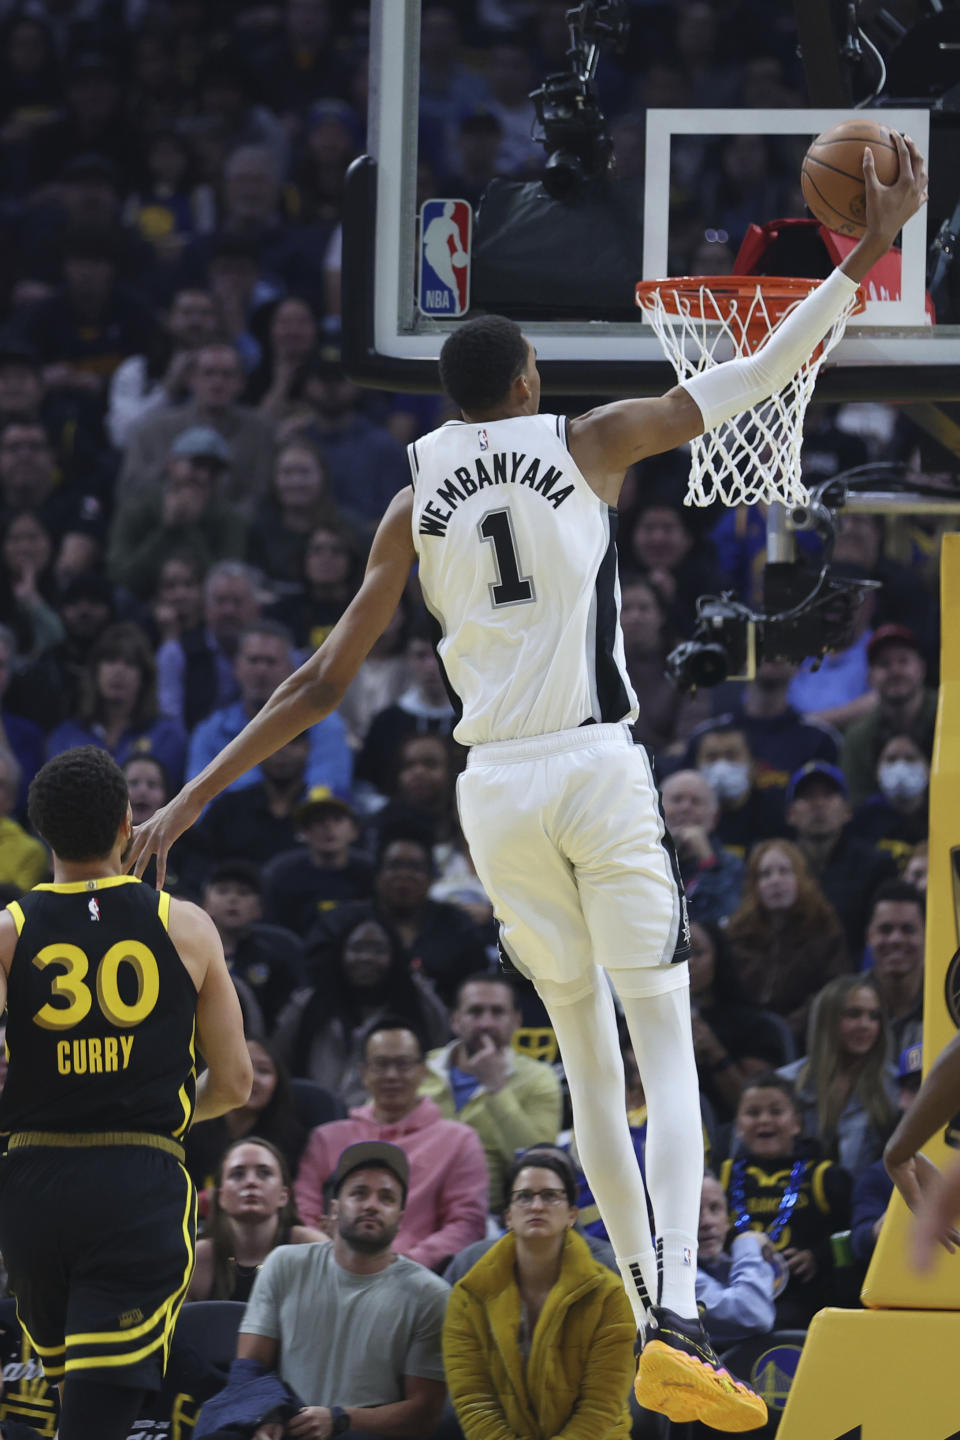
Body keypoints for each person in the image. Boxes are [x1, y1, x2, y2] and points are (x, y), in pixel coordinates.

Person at [127, 142, 925, 1431]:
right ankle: (672, 1314)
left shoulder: (410, 503)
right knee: (666, 1053)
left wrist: (192, 800)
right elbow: (759, 370)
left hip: (490, 789)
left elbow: (320, 682)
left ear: (449, 400)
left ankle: (654, 1304)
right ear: (528, 381)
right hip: (597, 763)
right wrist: (860, 255)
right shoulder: (588, 438)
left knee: (592, 1071)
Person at [0, 745, 252, 1440]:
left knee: (70, 1408)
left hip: (32, 1186)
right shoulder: (187, 925)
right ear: (127, 822)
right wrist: (149, 1109)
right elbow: (235, 1083)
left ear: (41, 829)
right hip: (135, 1183)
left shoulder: (8, 932)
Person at [233, 1140, 448, 1440]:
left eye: (386, 1198)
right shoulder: (284, 1263)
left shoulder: (431, 1295)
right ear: (334, 1210)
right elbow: (249, 1368)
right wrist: (265, 1417)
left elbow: (424, 1413)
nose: (371, 1204)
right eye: (359, 1193)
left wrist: (340, 1419)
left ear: (400, 1220)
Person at [442, 1153, 637, 1440]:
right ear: (508, 1215)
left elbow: (601, 1408)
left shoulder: (610, 1295)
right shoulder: (469, 1296)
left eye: (549, 1196)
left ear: (572, 1215)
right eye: (524, 1197)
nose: (536, 1205)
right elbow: (474, 1402)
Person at [294, 1018, 488, 1272]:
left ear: (423, 1071)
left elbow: (466, 1224)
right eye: (381, 1064)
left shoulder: (459, 1140)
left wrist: (402, 1265)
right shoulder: (326, 1138)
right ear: (363, 1073)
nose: (392, 1075)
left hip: (418, 1277)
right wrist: (336, 1258)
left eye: (403, 1064)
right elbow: (303, 1211)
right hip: (330, 1271)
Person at [272, 910, 451, 1108]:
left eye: (378, 950)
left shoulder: (419, 1004)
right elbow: (279, 1060)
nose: (366, 958)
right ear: (340, 953)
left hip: (393, 1116)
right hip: (315, 1118)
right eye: (357, 948)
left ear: (395, 955)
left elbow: (440, 1059)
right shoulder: (308, 1004)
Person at [419, 973, 563, 1214]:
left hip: (495, 1216)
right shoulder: (419, 1071)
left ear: (516, 1021)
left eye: (497, 1012)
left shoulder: (539, 1078)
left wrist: (496, 1088)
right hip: (416, 1205)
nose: (486, 1023)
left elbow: (540, 1163)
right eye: (475, 1012)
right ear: (455, 1020)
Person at [719, 1075, 853, 1328]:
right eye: (753, 1113)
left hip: (807, 1303)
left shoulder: (826, 1175)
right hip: (737, 1303)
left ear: (797, 1124)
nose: (765, 1120)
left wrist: (817, 1256)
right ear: (738, 1125)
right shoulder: (721, 1176)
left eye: (776, 1111)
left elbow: (850, 1235)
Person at [724, 839, 848, 1046]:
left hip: (807, 1040)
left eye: (784, 871)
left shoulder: (825, 930)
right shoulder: (737, 936)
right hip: (745, 1040)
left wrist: (785, 1030)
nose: (775, 880)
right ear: (755, 886)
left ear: (801, 879)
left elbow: (831, 992)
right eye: (766, 874)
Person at [778, 974, 898, 1179]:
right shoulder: (785, 1083)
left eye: (874, 1016)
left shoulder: (895, 1086)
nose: (865, 1025)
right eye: (853, 1014)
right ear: (827, 1020)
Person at [187, 1137, 326, 1303]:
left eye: (264, 1173)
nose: (251, 1182)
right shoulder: (196, 1259)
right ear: (221, 1197)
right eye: (238, 1174)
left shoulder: (312, 1250)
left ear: (284, 1195)